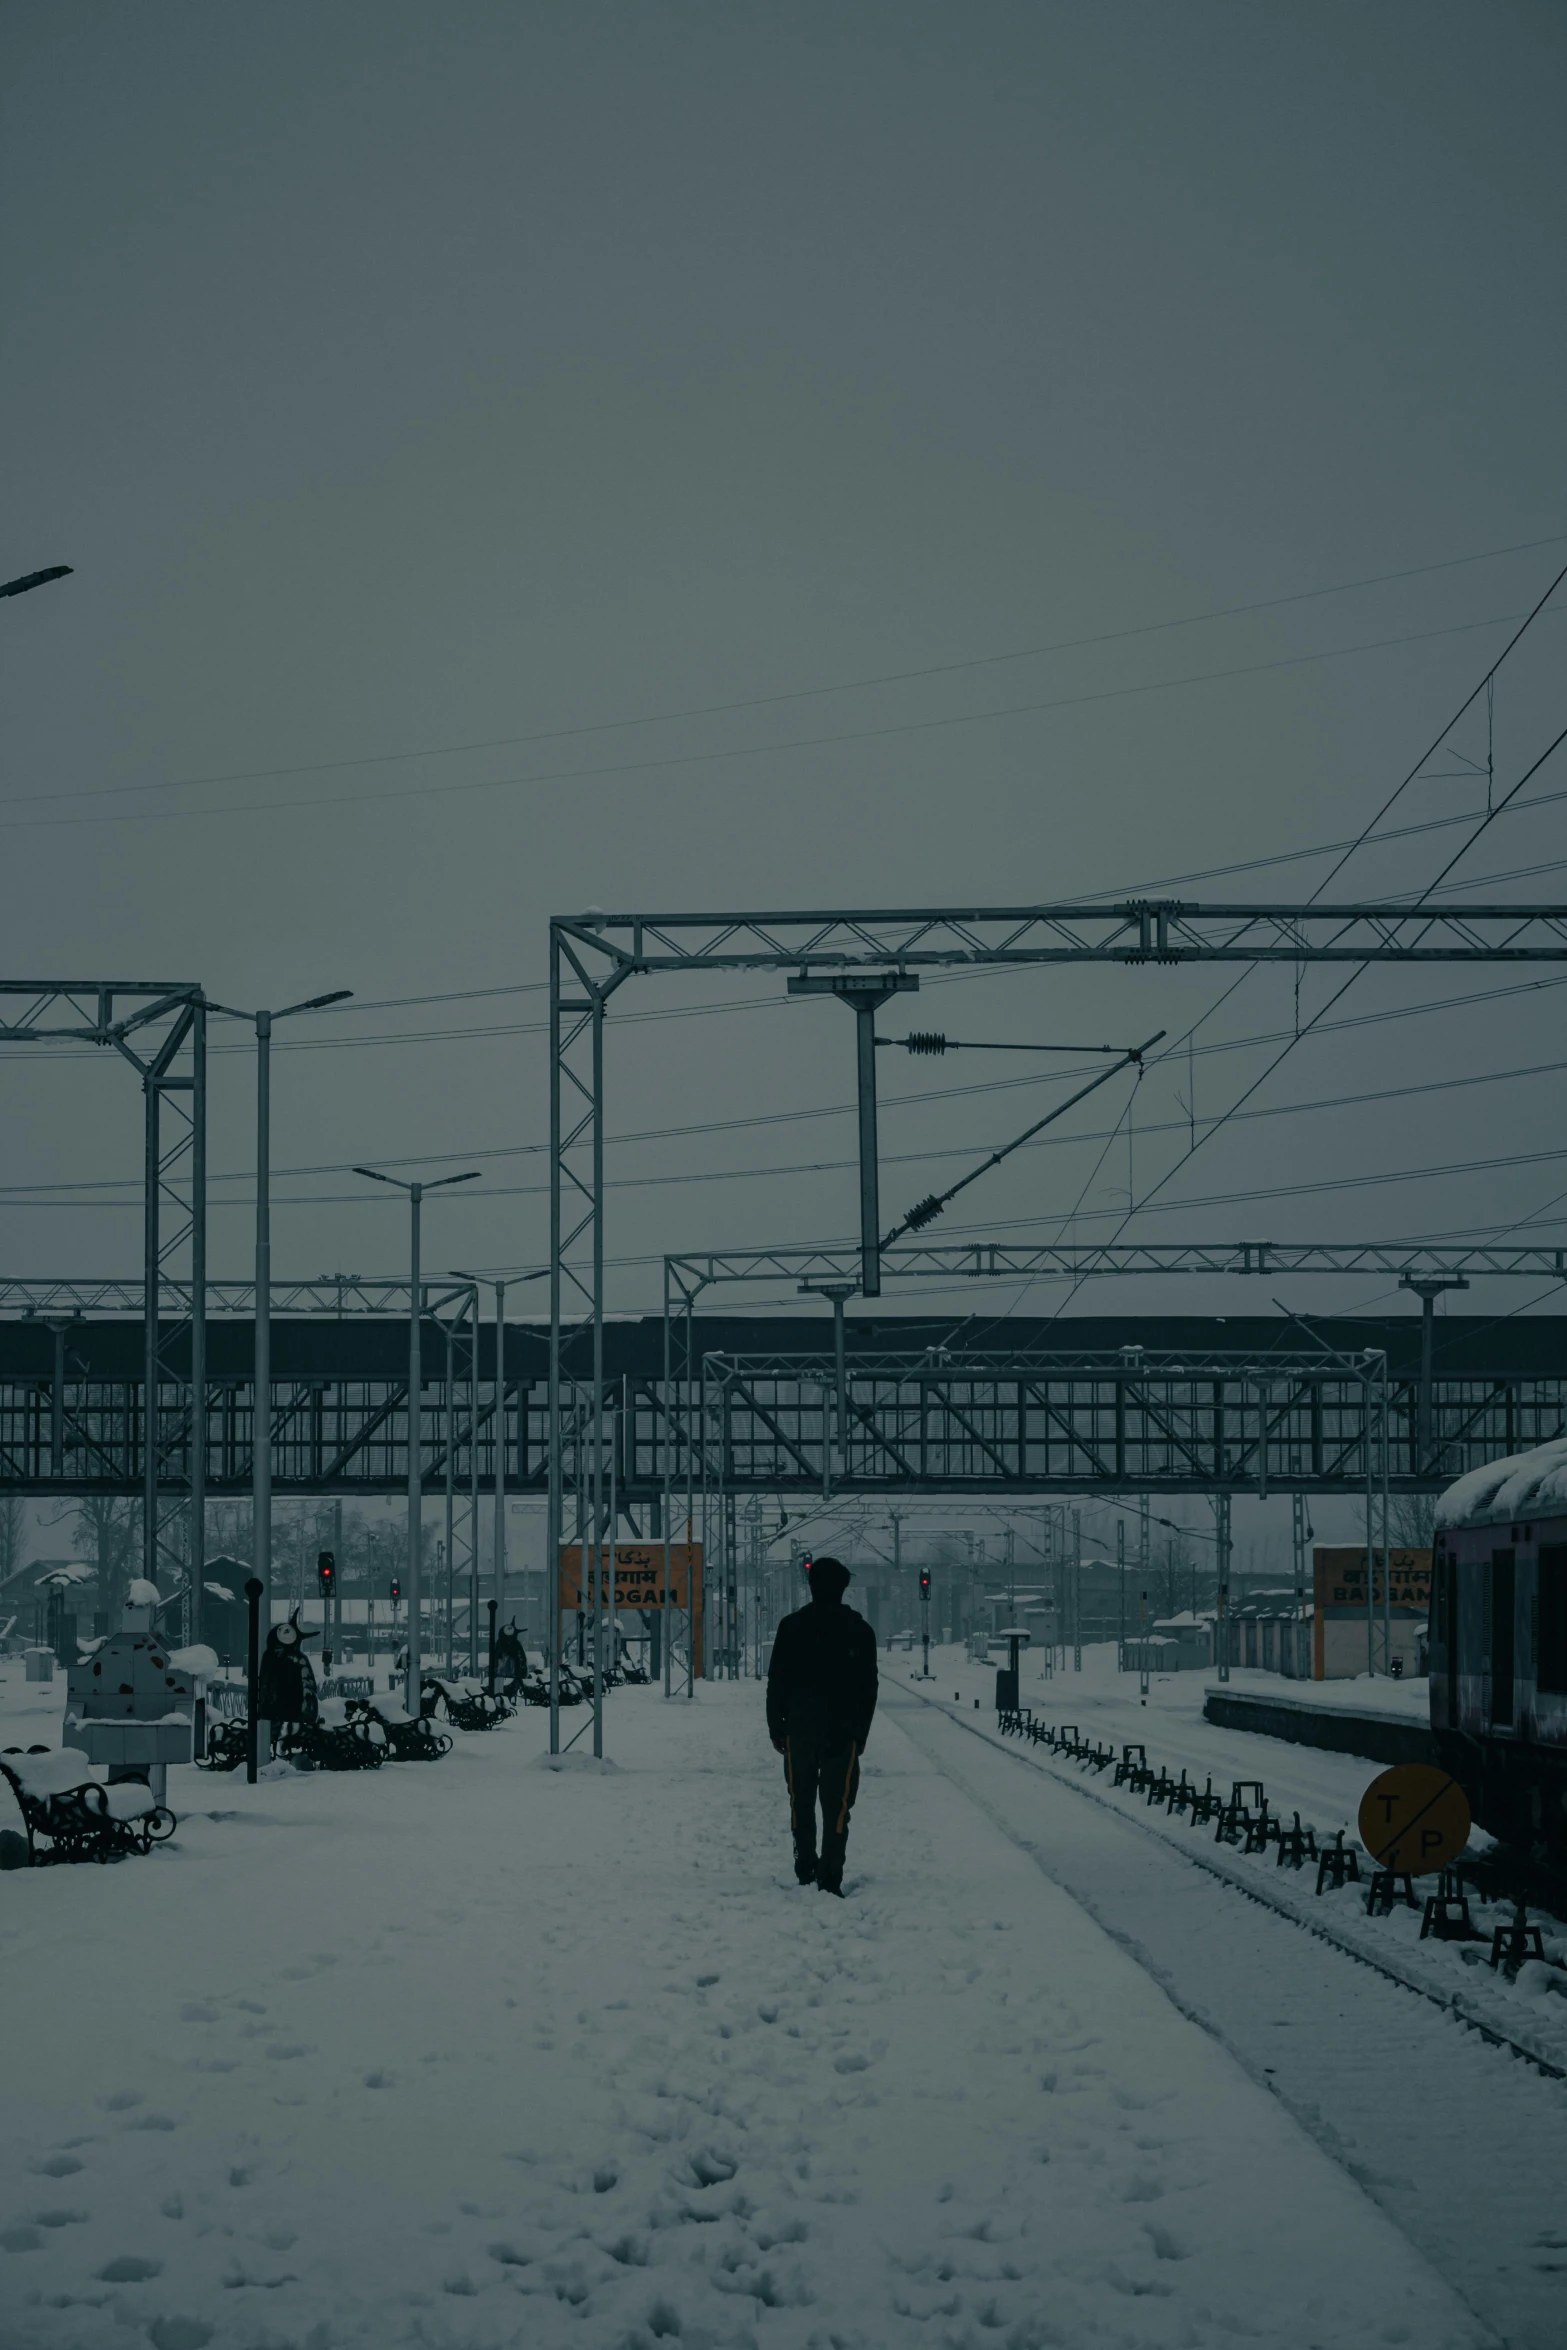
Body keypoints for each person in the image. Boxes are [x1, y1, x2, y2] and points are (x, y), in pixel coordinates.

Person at [765, 1556, 878, 1895]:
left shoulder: (791, 1626)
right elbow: (868, 1687)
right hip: (841, 1733)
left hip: (799, 1729)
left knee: (800, 1799)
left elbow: (777, 1681)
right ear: (844, 1588)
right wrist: (861, 1733)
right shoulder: (860, 1630)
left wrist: (776, 1727)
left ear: (810, 1587)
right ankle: (831, 1874)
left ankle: (805, 1868)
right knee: (838, 1805)